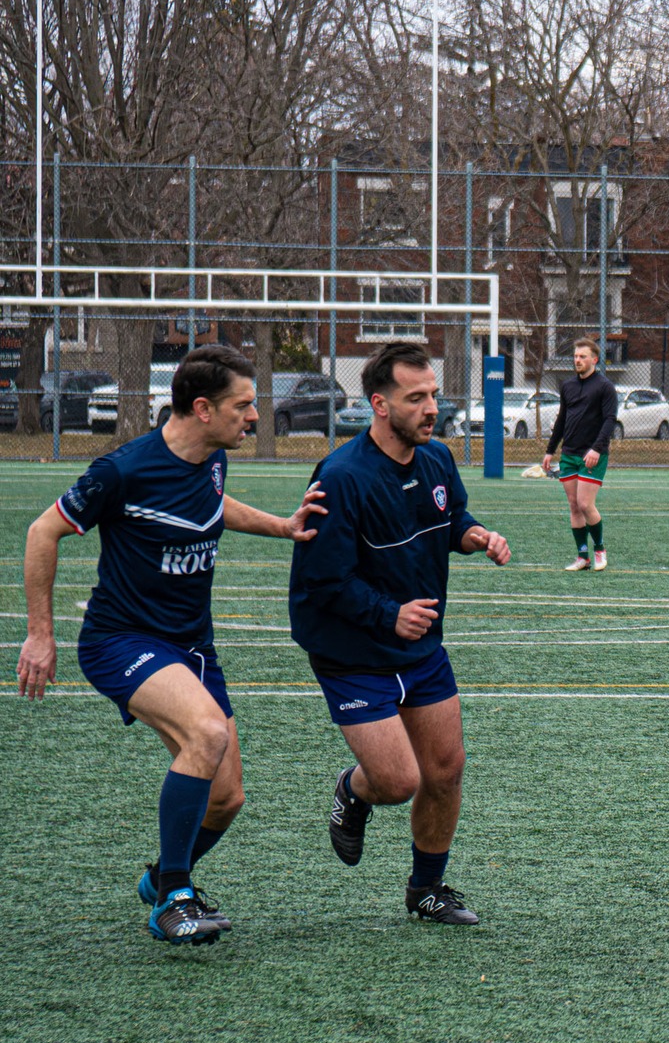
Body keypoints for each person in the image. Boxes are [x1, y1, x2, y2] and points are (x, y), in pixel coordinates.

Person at [15, 344, 325, 945]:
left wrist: (282, 526)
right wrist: (39, 634)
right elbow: (42, 531)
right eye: (245, 405)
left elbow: (210, 505)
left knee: (227, 797)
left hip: (192, 647)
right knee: (206, 733)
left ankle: (161, 877)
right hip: (121, 641)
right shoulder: (122, 471)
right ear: (203, 408)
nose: (255, 416)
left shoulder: (212, 458)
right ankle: (175, 900)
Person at [289, 342, 511, 926]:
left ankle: (427, 889)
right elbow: (321, 582)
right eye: (417, 398)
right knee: (398, 781)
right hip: (352, 651)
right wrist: (389, 613)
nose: (432, 406)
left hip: (419, 648)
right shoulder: (341, 476)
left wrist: (479, 536)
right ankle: (353, 792)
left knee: (446, 768)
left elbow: (452, 519)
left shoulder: (437, 459)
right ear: (380, 405)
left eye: (434, 393)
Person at [542, 336, 618, 571]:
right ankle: (582, 556)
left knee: (586, 504)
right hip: (569, 453)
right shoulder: (567, 386)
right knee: (574, 505)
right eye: (575, 356)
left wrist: (596, 448)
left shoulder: (605, 387)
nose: (577, 360)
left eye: (582, 356)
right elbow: (562, 419)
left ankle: (599, 549)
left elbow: (609, 420)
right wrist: (549, 451)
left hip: (593, 454)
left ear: (594, 359)